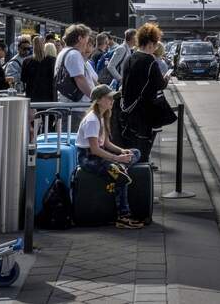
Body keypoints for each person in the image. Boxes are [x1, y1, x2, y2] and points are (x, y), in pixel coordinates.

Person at [75, 85, 143, 229]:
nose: (112, 100)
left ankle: (119, 168)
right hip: (88, 158)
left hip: (100, 156)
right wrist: (117, 158)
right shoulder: (92, 120)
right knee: (119, 175)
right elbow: (94, 150)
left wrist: (122, 151)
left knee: (135, 152)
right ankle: (123, 216)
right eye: (108, 98)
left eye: (112, 97)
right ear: (98, 100)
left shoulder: (102, 116)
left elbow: (106, 143)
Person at [116, 23, 169, 161]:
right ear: (151, 43)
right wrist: (166, 78)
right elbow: (160, 84)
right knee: (144, 145)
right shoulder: (149, 60)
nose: (156, 47)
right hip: (144, 111)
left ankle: (132, 173)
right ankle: (142, 173)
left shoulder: (129, 58)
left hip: (127, 108)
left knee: (130, 146)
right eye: (156, 44)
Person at [55, 24, 93, 103]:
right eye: (86, 39)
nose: (86, 44)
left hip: (68, 103)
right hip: (77, 106)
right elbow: (80, 79)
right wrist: (94, 97)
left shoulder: (64, 52)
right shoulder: (74, 54)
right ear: (80, 38)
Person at [21, 36, 56, 103]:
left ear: (33, 46)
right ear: (44, 45)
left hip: (32, 95)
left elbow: (23, 79)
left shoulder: (27, 61)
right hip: (49, 96)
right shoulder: (52, 60)